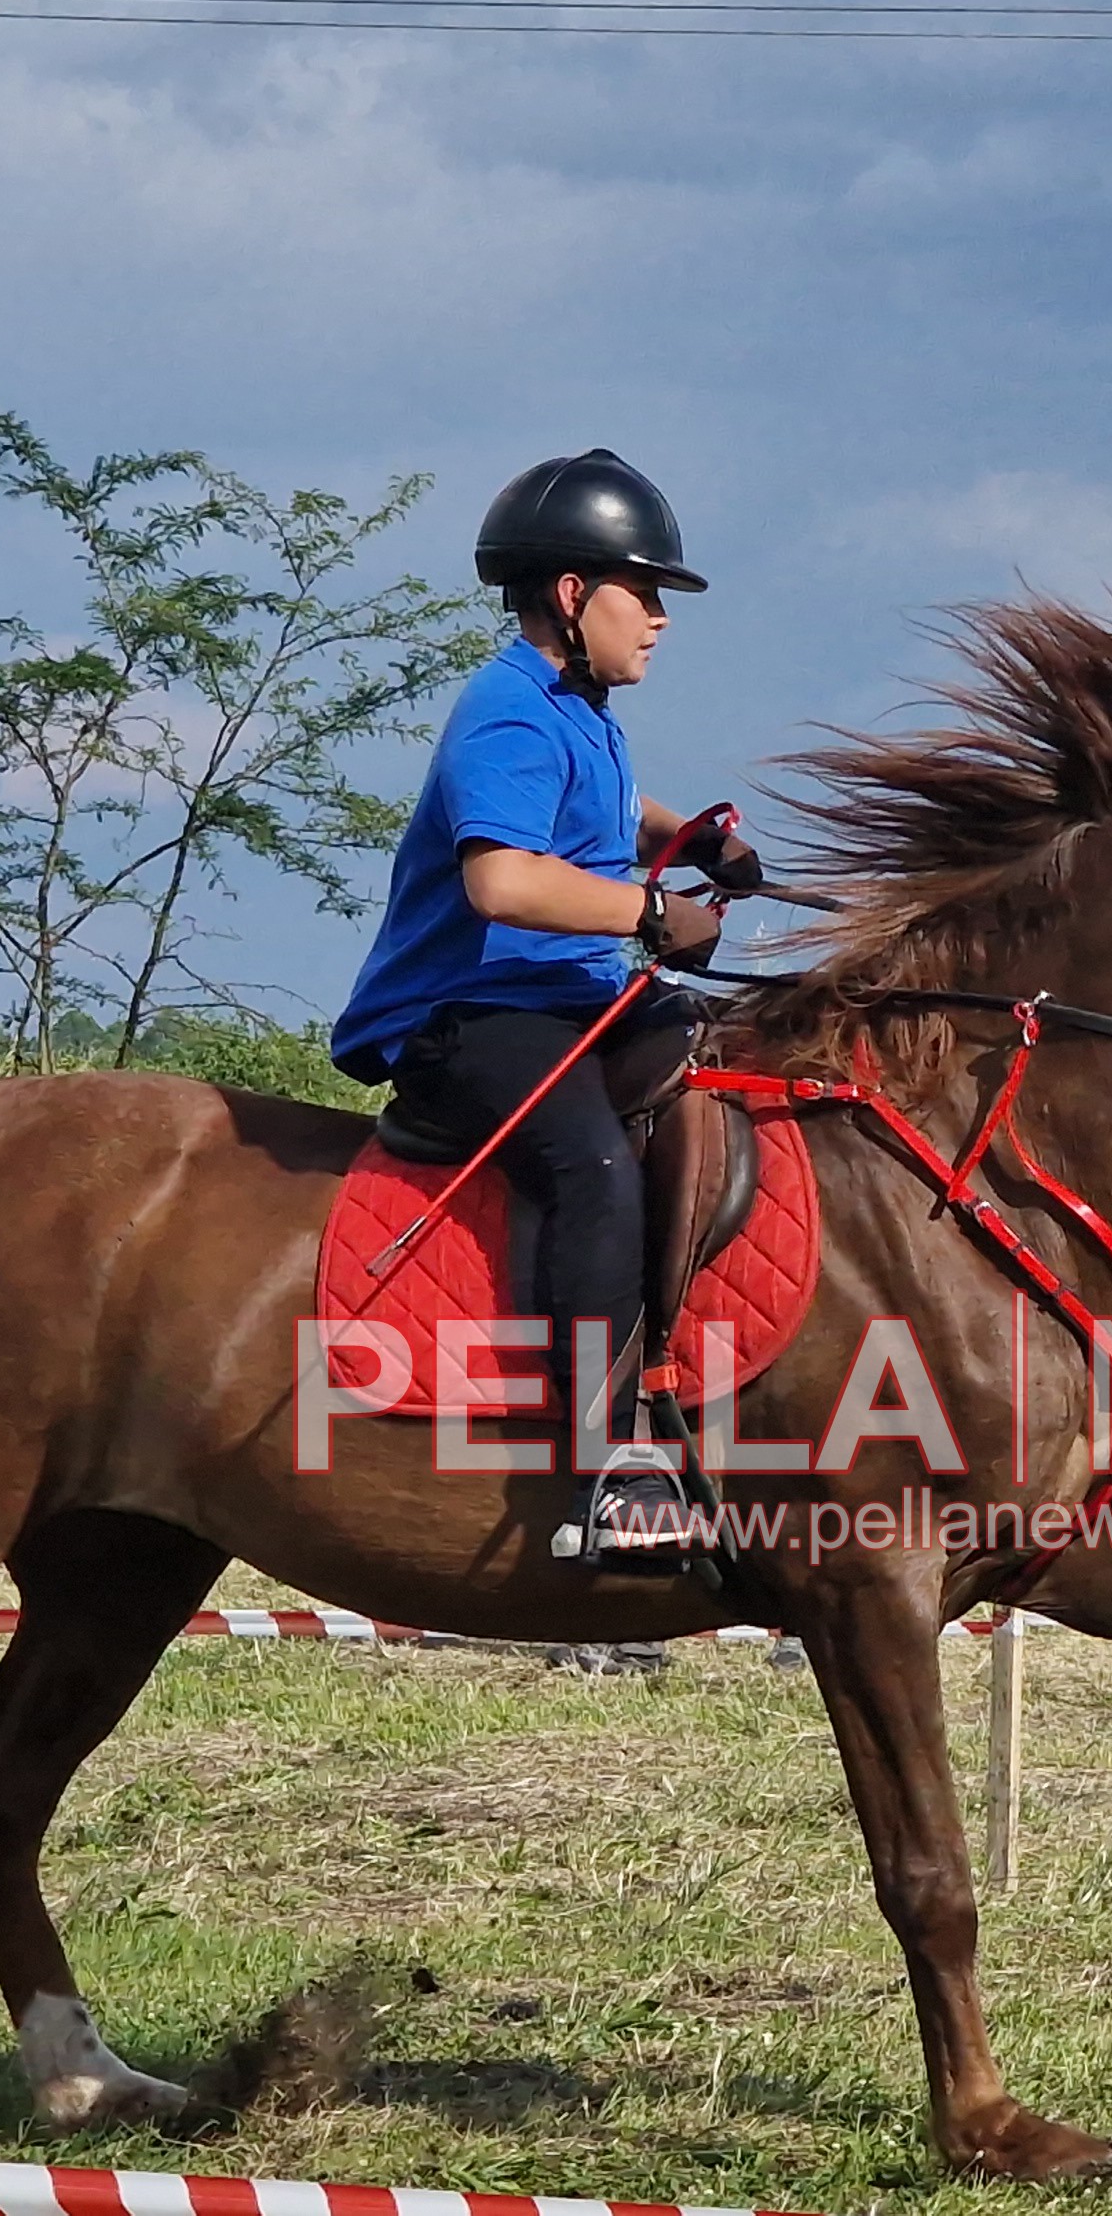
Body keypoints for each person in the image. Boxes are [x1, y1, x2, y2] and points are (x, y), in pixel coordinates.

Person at [331, 450, 759, 1566]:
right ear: (572, 594)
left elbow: (602, 811)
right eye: (644, 591)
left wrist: (690, 839)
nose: (661, 618)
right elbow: (505, 882)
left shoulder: (578, 708)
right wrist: (652, 909)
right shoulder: (508, 711)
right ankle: (603, 1465)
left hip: (570, 1000)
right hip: (468, 1013)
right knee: (592, 1165)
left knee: (744, 1073)